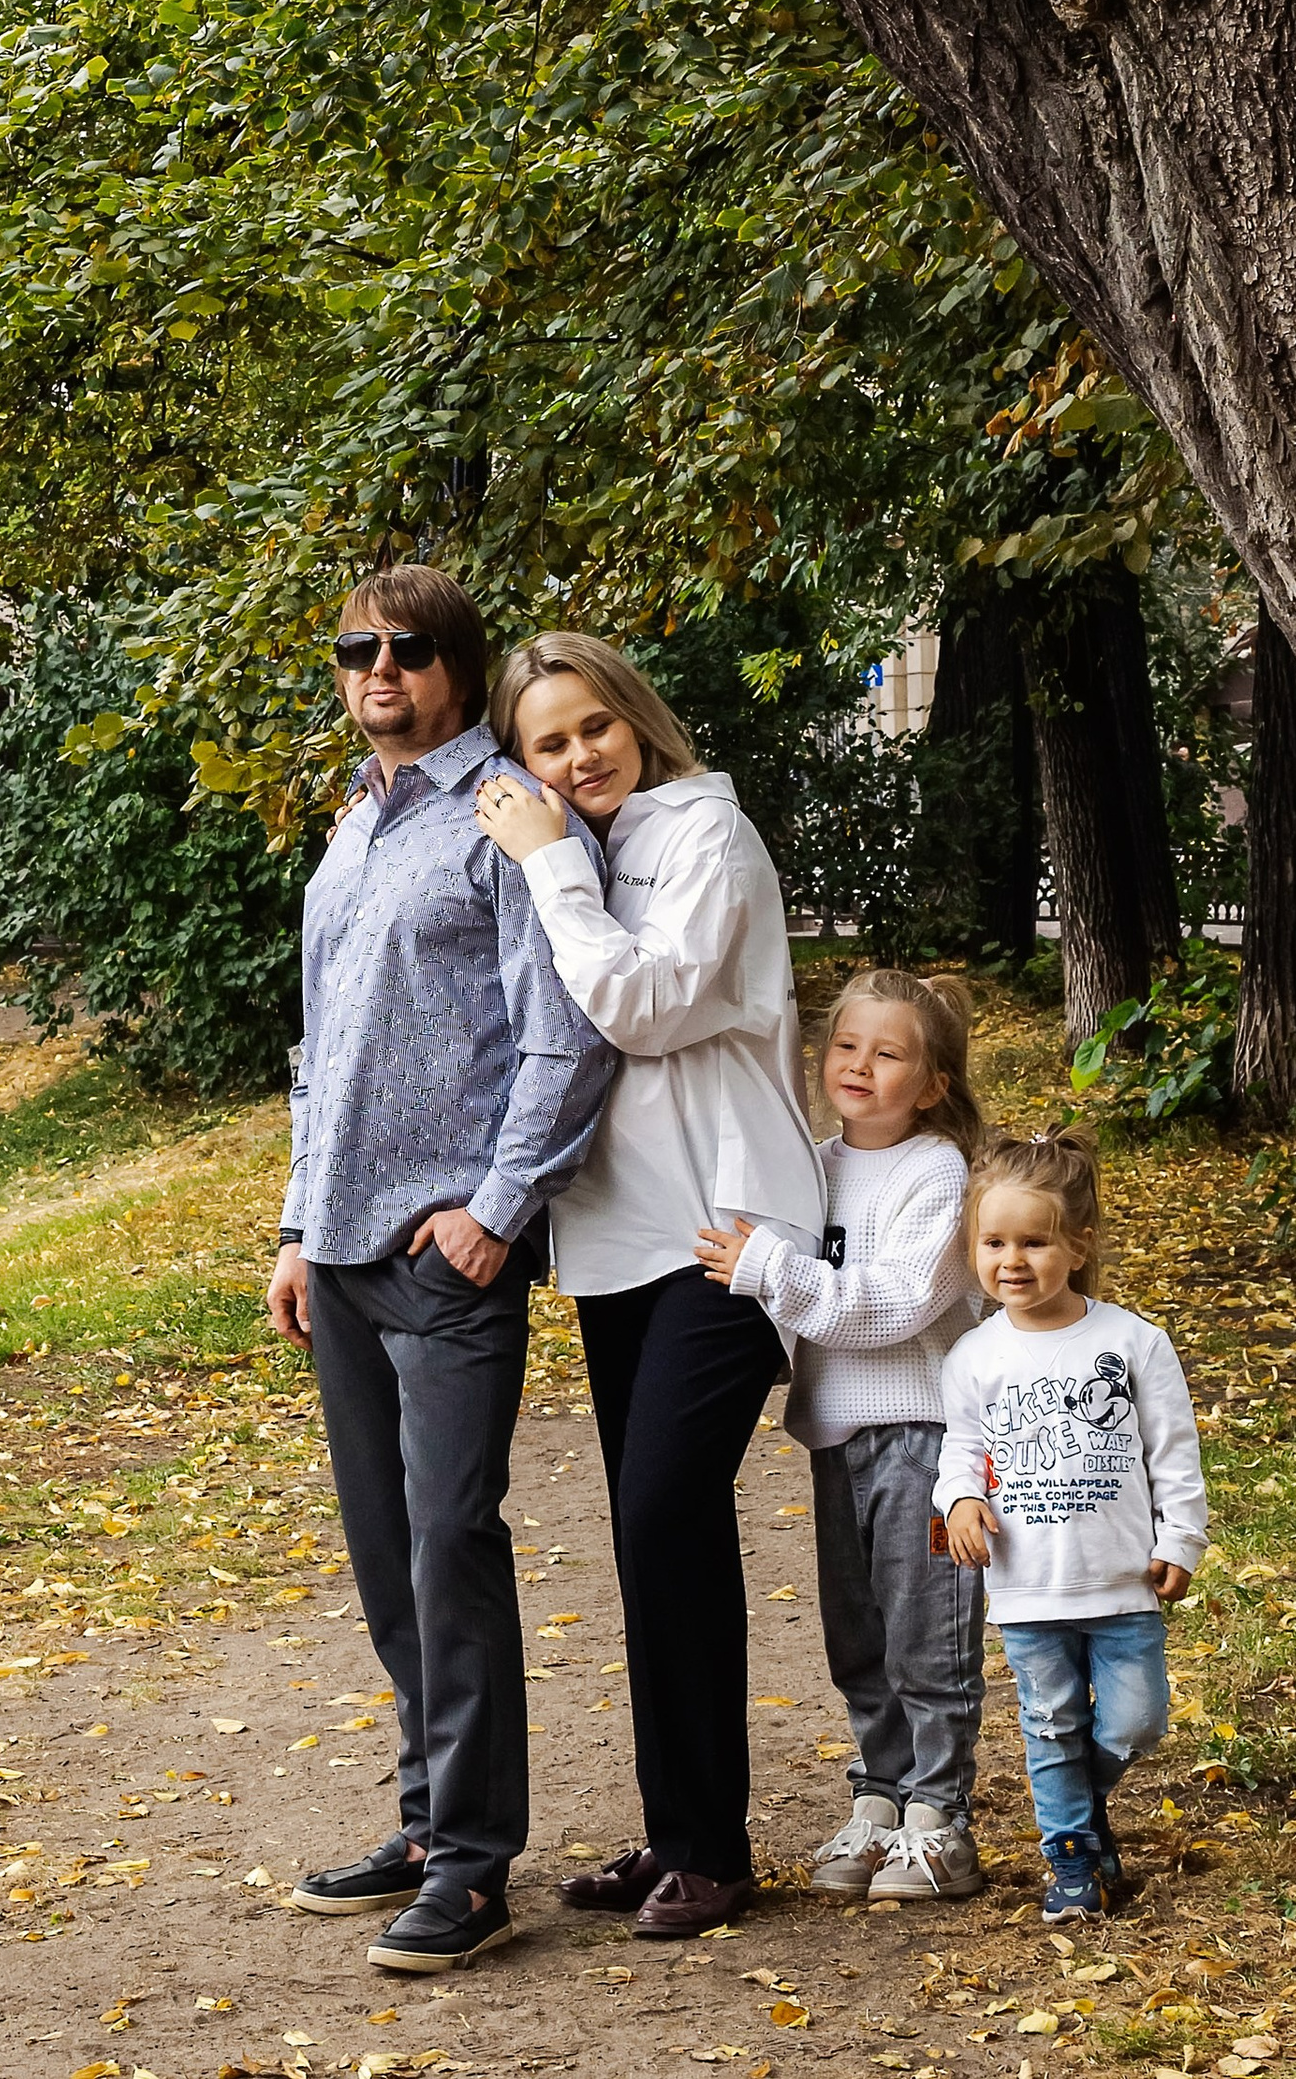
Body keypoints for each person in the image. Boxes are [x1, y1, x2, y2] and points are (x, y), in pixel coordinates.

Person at [268, 565, 616, 1976]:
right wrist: (296, 1224)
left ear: (458, 668)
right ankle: (424, 1820)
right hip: (341, 1250)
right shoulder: (354, 829)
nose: (379, 668)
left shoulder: (503, 822)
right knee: (382, 1554)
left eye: (409, 649)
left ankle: (475, 1865)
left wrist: (496, 1206)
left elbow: (571, 1031)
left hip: (443, 1251)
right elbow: (319, 1055)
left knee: (448, 1542)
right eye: (357, 647)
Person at [471, 632, 822, 1938]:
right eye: (548, 742)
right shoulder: (595, 848)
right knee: (648, 1532)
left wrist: (552, 858)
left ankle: (713, 1846)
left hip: (731, 1227)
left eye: (594, 725)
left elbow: (646, 1004)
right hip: (619, 1241)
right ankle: (682, 1828)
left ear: (640, 715)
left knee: (670, 1505)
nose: (578, 755)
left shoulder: (704, 839)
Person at [695, 966, 990, 1905]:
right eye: (847, 1045)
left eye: (890, 1051)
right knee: (857, 1639)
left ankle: (941, 1820)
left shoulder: (938, 1172)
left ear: (933, 1083)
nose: (860, 1064)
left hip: (928, 1440)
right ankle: (883, 1800)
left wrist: (767, 1266)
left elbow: (892, 1308)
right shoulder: (813, 1163)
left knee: (928, 1637)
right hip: (840, 1442)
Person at [936, 1128, 1208, 1923]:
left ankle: (1078, 1815)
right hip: (1027, 1587)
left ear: (1078, 1244)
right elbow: (961, 1448)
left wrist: (1180, 1537)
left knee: (1137, 1720)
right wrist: (957, 1500)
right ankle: (1073, 1860)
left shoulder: (1132, 1342)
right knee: (1049, 1724)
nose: (1011, 1260)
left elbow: (1174, 1452)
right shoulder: (975, 1355)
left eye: (1034, 1240)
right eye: (993, 1241)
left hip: (1121, 1579)